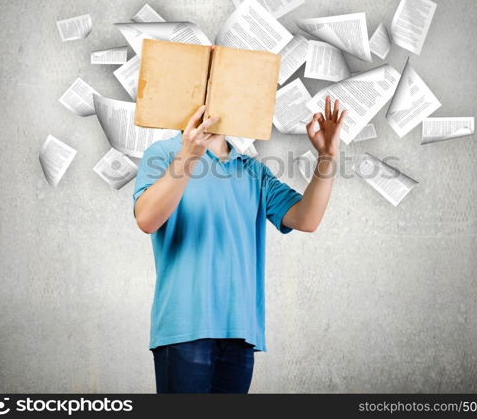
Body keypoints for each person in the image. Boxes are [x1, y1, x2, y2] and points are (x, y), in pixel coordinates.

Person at [133, 95, 346, 393]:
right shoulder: (164, 153)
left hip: (240, 331)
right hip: (184, 328)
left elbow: (307, 219)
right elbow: (146, 219)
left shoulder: (254, 171)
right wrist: (189, 155)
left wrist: (328, 157)